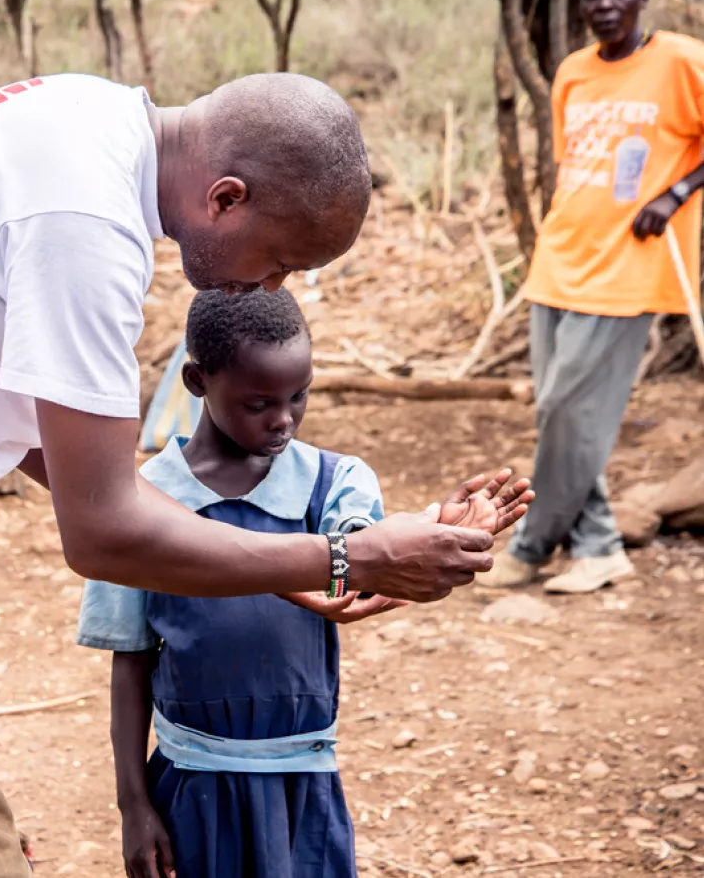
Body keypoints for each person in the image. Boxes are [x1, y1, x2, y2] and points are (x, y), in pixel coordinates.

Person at [0, 71, 517, 878]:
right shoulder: (85, 225)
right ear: (225, 197)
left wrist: (290, 571)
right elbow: (103, 529)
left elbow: (67, 449)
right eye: (280, 259)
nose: (271, 285)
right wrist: (345, 559)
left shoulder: (83, 117)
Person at [76, 288, 532, 878]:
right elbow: (130, 664)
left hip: (304, 785)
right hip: (192, 787)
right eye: (259, 402)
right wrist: (133, 806)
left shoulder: (333, 484)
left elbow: (360, 567)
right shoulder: (141, 508)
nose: (284, 418)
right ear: (196, 381)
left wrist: (429, 534)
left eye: (299, 395)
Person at [479, 0, 704, 594]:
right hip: (560, 260)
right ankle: (600, 546)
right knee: (566, 419)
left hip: (625, 269)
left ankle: (530, 547)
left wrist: (676, 194)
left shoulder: (682, 60)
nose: (603, 4)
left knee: (563, 411)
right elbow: (572, 166)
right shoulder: (573, 72)